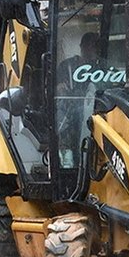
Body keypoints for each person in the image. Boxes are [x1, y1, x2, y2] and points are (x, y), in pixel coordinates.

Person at [56, 32, 100, 168]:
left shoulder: (102, 70)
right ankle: (69, 166)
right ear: (82, 47)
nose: (92, 49)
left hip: (94, 117)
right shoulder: (66, 66)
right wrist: (60, 88)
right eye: (90, 46)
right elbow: (56, 89)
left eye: (95, 46)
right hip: (70, 117)